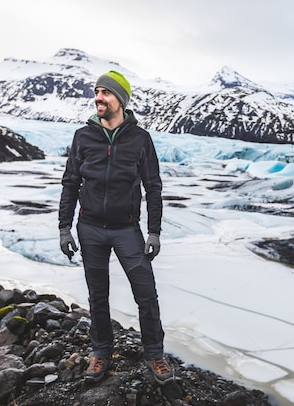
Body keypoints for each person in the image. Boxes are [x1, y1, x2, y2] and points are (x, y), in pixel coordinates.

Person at [58, 70, 173, 385]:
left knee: (146, 293)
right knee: (98, 294)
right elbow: (70, 183)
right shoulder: (83, 136)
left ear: (120, 99)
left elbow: (153, 186)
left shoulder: (140, 139)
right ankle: (101, 352)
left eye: (105, 93)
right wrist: (64, 228)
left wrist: (154, 231)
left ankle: (154, 355)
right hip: (90, 228)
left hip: (127, 230)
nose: (98, 98)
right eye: (96, 92)